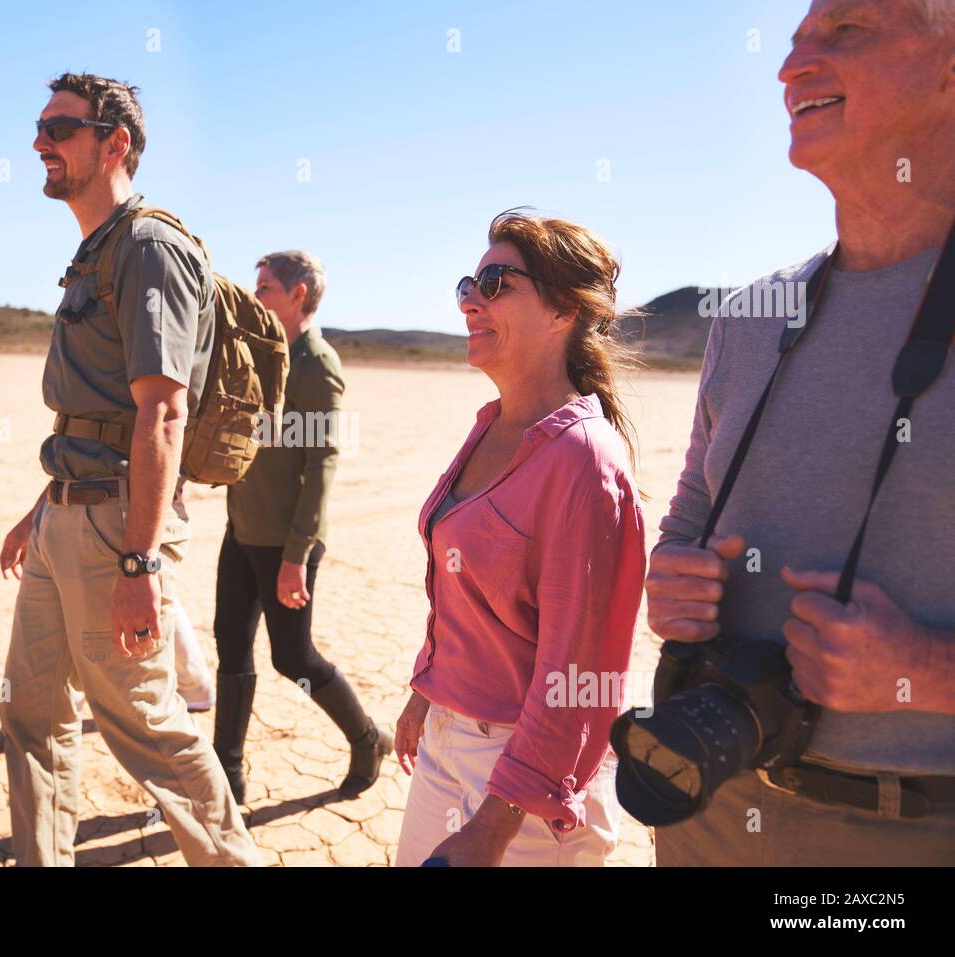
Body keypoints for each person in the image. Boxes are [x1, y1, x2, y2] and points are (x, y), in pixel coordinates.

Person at [647, 0, 955, 865]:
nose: (790, 69)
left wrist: (927, 669)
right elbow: (693, 510)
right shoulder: (750, 318)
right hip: (707, 798)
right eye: (791, 44)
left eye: (846, 32)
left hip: (905, 836)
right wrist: (670, 576)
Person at [0, 72, 259, 867]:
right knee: (32, 712)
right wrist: (42, 505)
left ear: (116, 144)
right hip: (66, 510)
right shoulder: (95, 251)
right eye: (39, 126)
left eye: (60, 129)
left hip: (116, 522)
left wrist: (139, 560)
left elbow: (162, 412)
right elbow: (95, 407)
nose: (40, 142)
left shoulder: (149, 246)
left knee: (146, 725)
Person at [393, 210, 647, 867]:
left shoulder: (584, 459)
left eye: (497, 282)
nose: (471, 301)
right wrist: (427, 691)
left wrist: (493, 827)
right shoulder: (491, 426)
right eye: (468, 286)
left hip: (523, 779)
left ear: (564, 309)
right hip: (448, 742)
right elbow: (463, 587)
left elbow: (580, 672)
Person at [212, 250, 392, 803]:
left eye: (265, 287)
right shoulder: (262, 352)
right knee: (230, 643)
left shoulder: (317, 364)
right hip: (242, 527)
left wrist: (296, 555)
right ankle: (228, 773)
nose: (256, 293)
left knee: (293, 659)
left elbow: (323, 465)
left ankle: (366, 740)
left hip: (286, 542)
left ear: (298, 295)